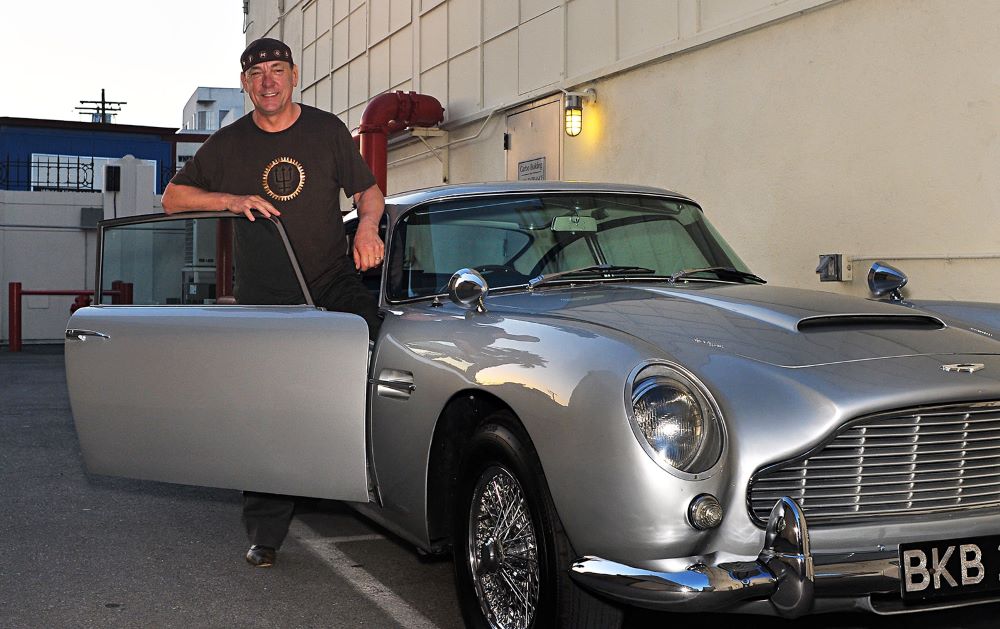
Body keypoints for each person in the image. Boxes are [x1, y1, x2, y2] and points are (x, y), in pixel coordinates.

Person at [161, 37, 385, 569]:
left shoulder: (326, 130)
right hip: (265, 300)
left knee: (382, 355)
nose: (268, 80)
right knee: (266, 413)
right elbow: (172, 198)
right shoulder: (228, 144)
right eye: (257, 72)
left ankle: (373, 479)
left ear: (293, 75)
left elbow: (368, 193)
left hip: (331, 284)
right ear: (245, 83)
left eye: (277, 70)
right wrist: (230, 200)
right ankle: (265, 532)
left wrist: (368, 228)